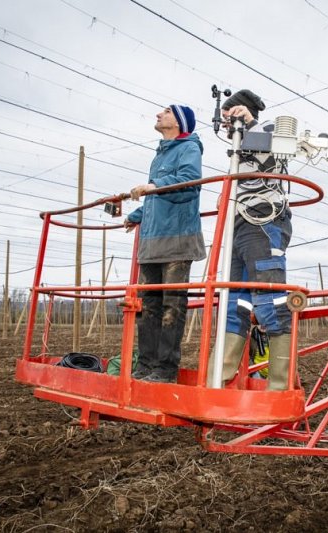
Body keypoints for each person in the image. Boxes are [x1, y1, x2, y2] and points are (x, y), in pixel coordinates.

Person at [207, 89, 294, 391]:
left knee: (271, 301)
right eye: (227, 118)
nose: (229, 123)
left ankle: (279, 387)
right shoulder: (236, 149)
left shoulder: (268, 132)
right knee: (234, 303)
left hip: (264, 221)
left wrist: (251, 126)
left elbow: (274, 161)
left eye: (234, 115)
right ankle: (217, 380)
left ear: (247, 112)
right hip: (238, 225)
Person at [124, 105, 205, 383]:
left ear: (180, 122)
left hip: (177, 240)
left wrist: (153, 185)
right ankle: (145, 365)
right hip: (152, 241)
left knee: (172, 304)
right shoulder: (159, 156)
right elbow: (154, 199)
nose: (158, 114)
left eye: (166, 112)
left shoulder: (189, 149)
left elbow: (189, 182)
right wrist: (136, 216)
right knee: (149, 306)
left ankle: (166, 369)